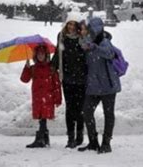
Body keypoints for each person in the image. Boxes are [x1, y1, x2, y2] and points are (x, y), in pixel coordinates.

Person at [78, 17, 121, 154]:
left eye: (90, 29)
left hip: (108, 85)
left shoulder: (105, 42)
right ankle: (93, 142)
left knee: (108, 114)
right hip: (93, 86)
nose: (89, 32)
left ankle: (106, 143)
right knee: (87, 112)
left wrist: (95, 47)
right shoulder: (89, 42)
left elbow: (109, 54)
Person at [51, 14, 87, 149]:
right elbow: (57, 53)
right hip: (67, 78)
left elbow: (88, 55)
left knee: (81, 108)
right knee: (70, 108)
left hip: (82, 78)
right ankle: (70, 138)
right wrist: (52, 66)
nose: (71, 27)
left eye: (74, 24)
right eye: (69, 24)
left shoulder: (83, 38)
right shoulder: (62, 37)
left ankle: (80, 135)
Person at [21, 45, 62, 148]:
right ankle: (45, 138)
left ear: (46, 55)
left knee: (43, 117)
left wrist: (57, 99)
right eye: (38, 54)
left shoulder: (51, 68)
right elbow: (24, 79)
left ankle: (40, 139)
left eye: (42, 54)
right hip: (37, 97)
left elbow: (57, 85)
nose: (40, 56)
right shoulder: (33, 68)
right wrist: (26, 67)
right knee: (41, 117)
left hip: (48, 98)